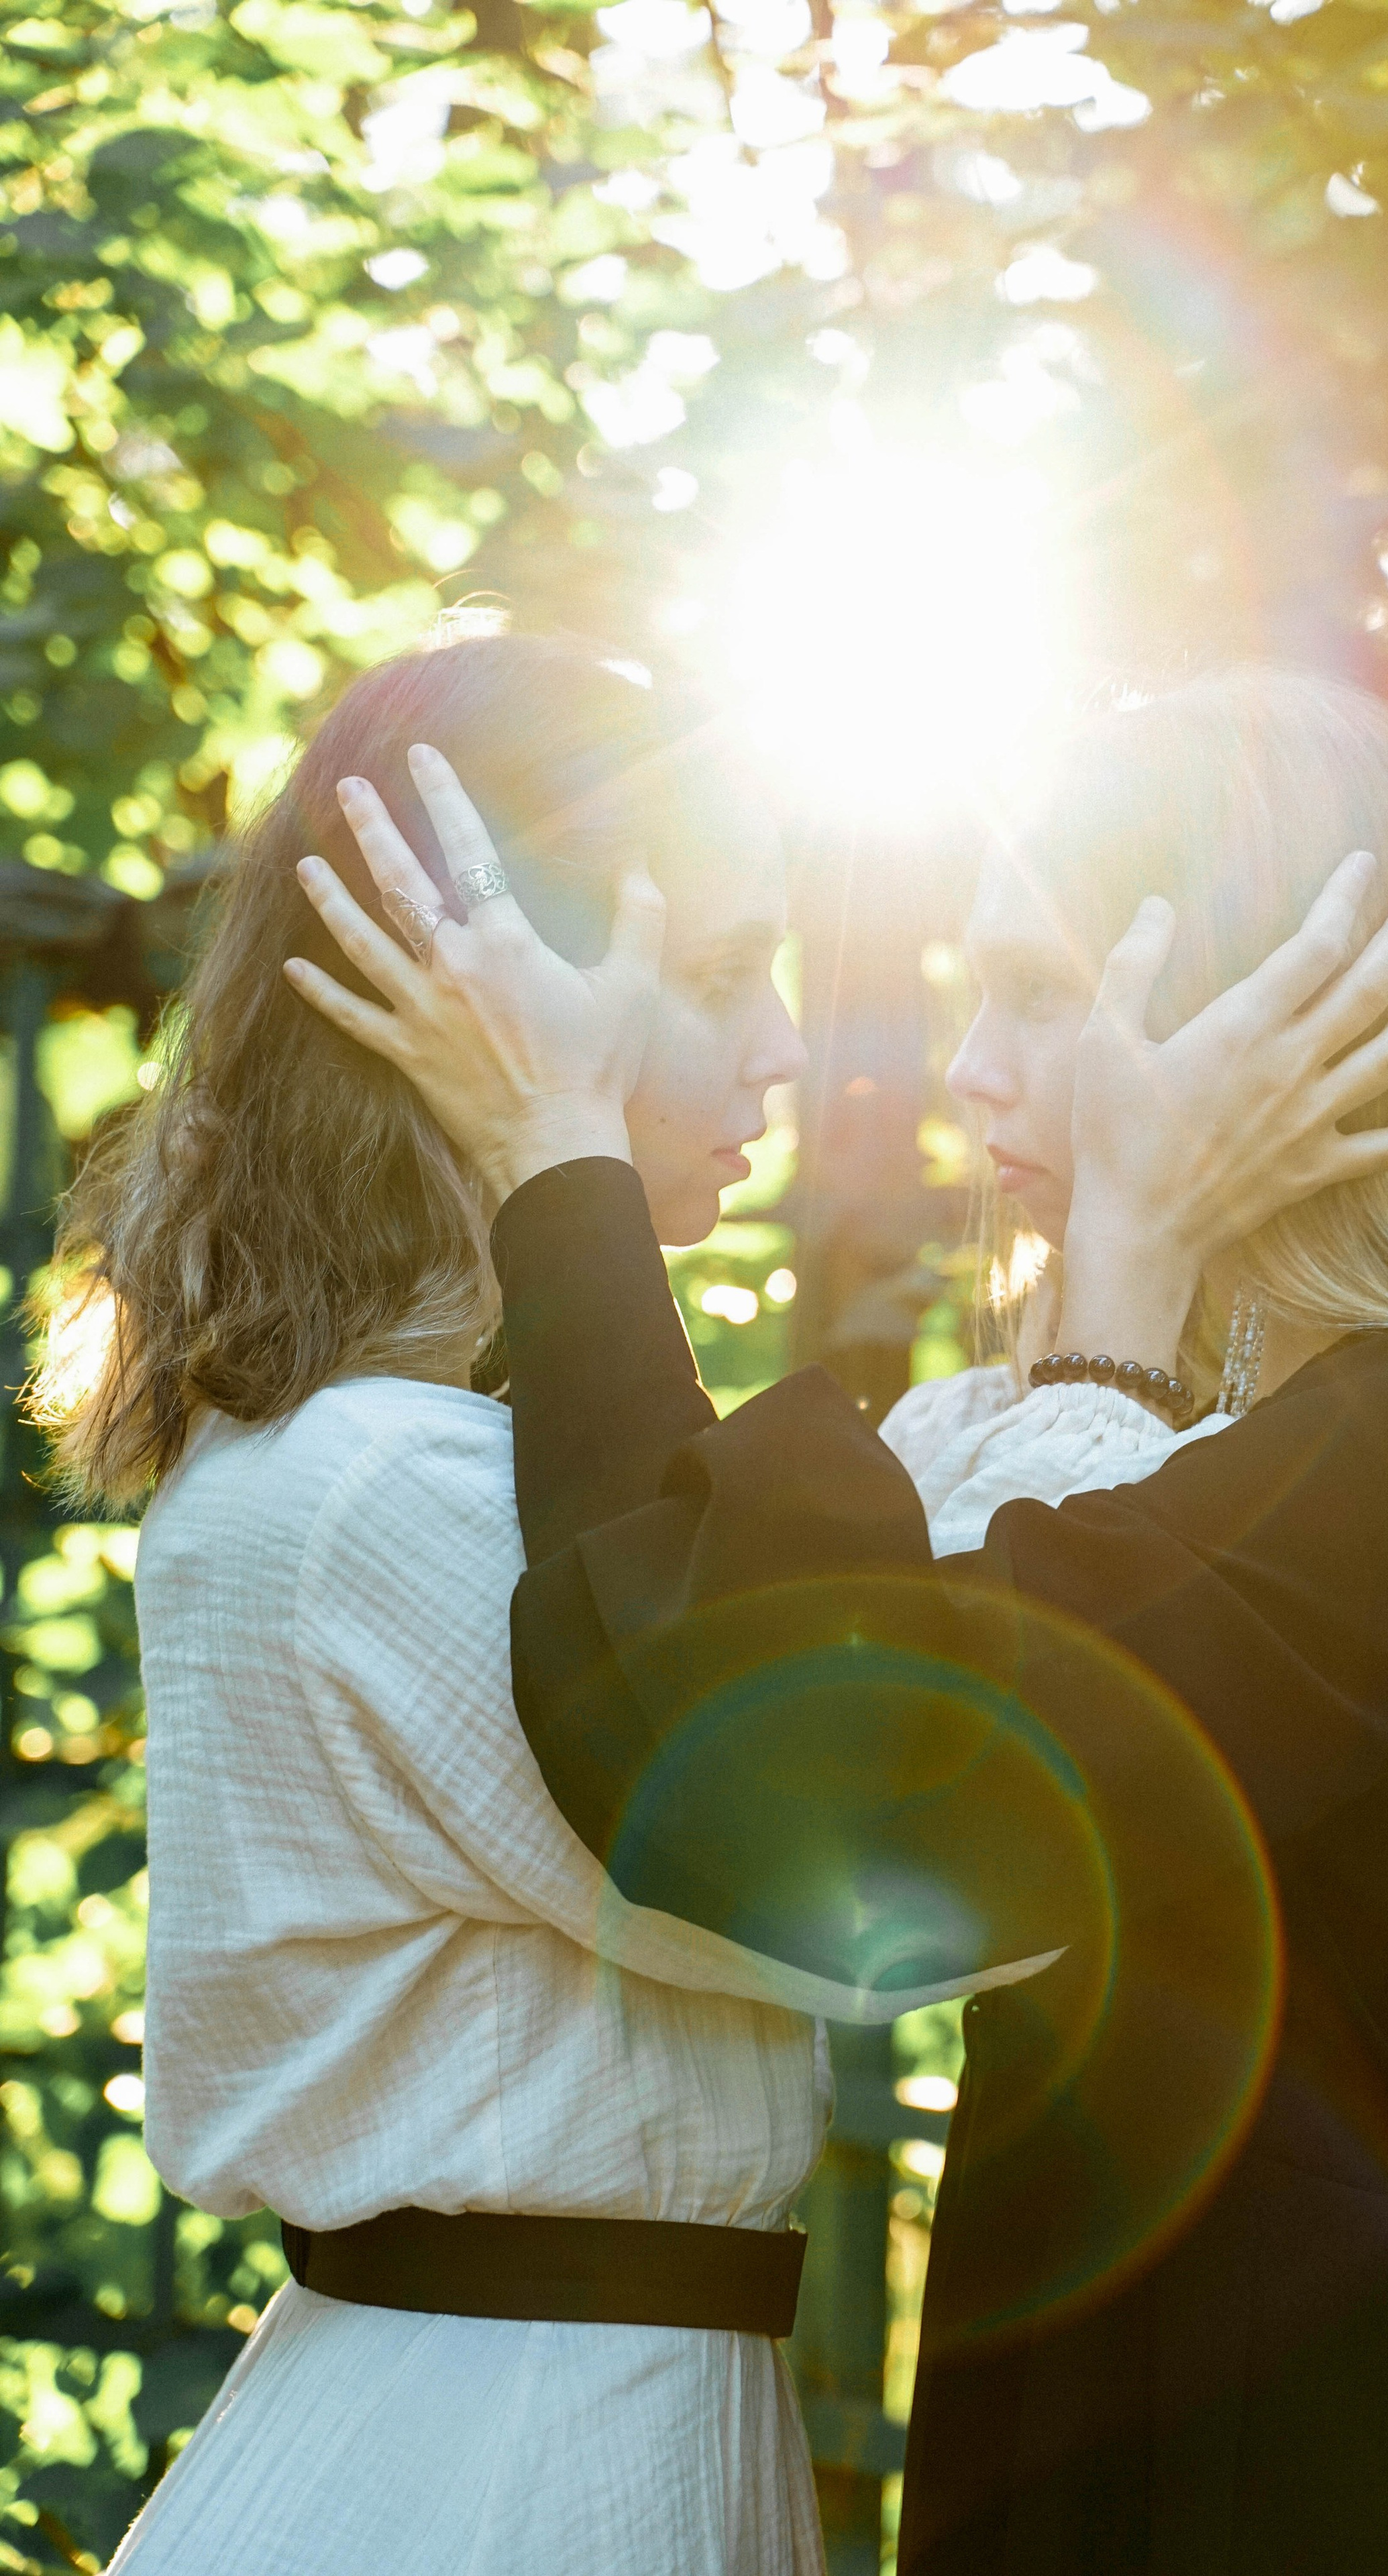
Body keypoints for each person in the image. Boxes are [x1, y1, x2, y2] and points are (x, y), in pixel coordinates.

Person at [286, 663, 1388, 2571]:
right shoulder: (1305, 1444)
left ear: (1245, 1002)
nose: (969, 1076)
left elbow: (785, 1783)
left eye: (1038, 999)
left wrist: (565, 1163)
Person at [32, 631, 1068, 2576]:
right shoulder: (376, 1498)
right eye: (712, 975)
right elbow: (888, 1894)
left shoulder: (397, 1463)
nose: (782, 1048)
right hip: (496, 2471)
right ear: (491, 997)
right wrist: (1131, 1356)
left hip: (533, 2433)